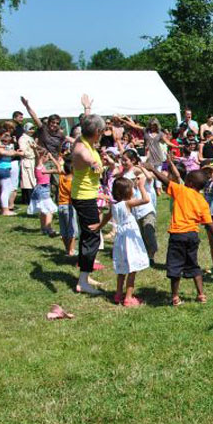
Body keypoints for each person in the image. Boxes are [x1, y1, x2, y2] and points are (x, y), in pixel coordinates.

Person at [145, 159, 213, 305]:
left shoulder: (182, 191)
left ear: (189, 183)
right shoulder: (202, 201)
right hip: (192, 236)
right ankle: (201, 295)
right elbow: (209, 223)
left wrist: (153, 169)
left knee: (175, 266)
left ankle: (175, 297)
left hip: (178, 235)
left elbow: (166, 181)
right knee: (194, 265)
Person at [91, 176, 150, 307]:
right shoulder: (127, 203)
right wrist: (141, 186)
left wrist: (98, 227)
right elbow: (146, 200)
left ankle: (118, 294)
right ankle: (128, 298)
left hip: (120, 238)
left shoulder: (114, 206)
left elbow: (106, 218)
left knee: (122, 268)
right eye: (132, 188)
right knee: (132, 268)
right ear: (127, 191)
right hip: (130, 238)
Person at [70, 95, 106, 295]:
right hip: (84, 198)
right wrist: (95, 164)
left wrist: (87, 108)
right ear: (97, 133)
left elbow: (86, 123)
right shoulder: (82, 149)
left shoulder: (83, 137)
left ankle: (86, 274)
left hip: (84, 195)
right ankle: (82, 282)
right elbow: (86, 158)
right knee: (92, 237)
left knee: (88, 235)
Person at [121, 149, 158, 264]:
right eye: (122, 160)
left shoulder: (144, 177)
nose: (122, 162)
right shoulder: (125, 175)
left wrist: (142, 169)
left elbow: (150, 177)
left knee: (148, 232)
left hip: (147, 210)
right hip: (135, 211)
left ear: (133, 161)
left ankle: (151, 255)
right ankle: (143, 254)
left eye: (125, 160)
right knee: (140, 234)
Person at [27, 148, 60, 237]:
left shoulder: (44, 167)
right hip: (42, 190)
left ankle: (43, 228)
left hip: (41, 189)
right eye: (47, 157)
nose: (48, 159)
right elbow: (38, 156)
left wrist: (51, 158)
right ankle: (49, 228)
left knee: (43, 211)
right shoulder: (39, 165)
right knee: (50, 210)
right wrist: (35, 149)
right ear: (43, 156)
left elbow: (58, 169)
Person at [0, 124, 22, 218]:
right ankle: (5, 210)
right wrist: (15, 153)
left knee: (7, 188)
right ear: (0, 134)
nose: (6, 136)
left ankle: (5, 208)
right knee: (5, 189)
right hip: (1, 167)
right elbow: (2, 152)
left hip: (4, 167)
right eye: (4, 134)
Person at [57, 158, 78, 256]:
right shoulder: (72, 182)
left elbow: (59, 168)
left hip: (60, 206)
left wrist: (56, 161)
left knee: (63, 230)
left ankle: (67, 249)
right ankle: (71, 250)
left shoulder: (61, 177)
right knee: (72, 230)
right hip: (69, 206)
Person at [18, 123, 38, 205]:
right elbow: (23, 151)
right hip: (27, 161)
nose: (32, 131)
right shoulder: (22, 139)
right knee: (27, 181)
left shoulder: (30, 138)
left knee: (32, 179)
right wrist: (30, 153)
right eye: (30, 129)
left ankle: (32, 198)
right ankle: (27, 199)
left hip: (32, 160)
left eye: (33, 129)